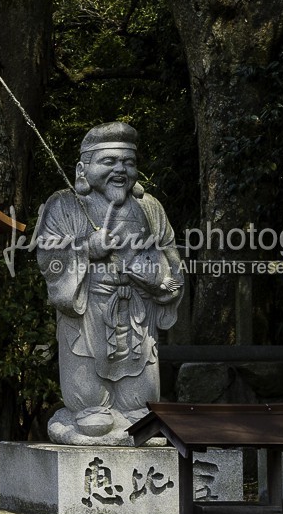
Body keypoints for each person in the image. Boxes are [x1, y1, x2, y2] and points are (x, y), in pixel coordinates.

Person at [35, 122, 184, 444]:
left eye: (128, 163)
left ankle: (131, 412)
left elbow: (171, 259)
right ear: (83, 168)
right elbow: (49, 259)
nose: (120, 170)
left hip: (137, 313)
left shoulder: (150, 208)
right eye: (109, 161)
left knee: (140, 412)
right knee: (93, 418)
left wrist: (163, 282)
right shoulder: (64, 204)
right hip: (89, 313)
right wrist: (87, 248)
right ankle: (87, 411)